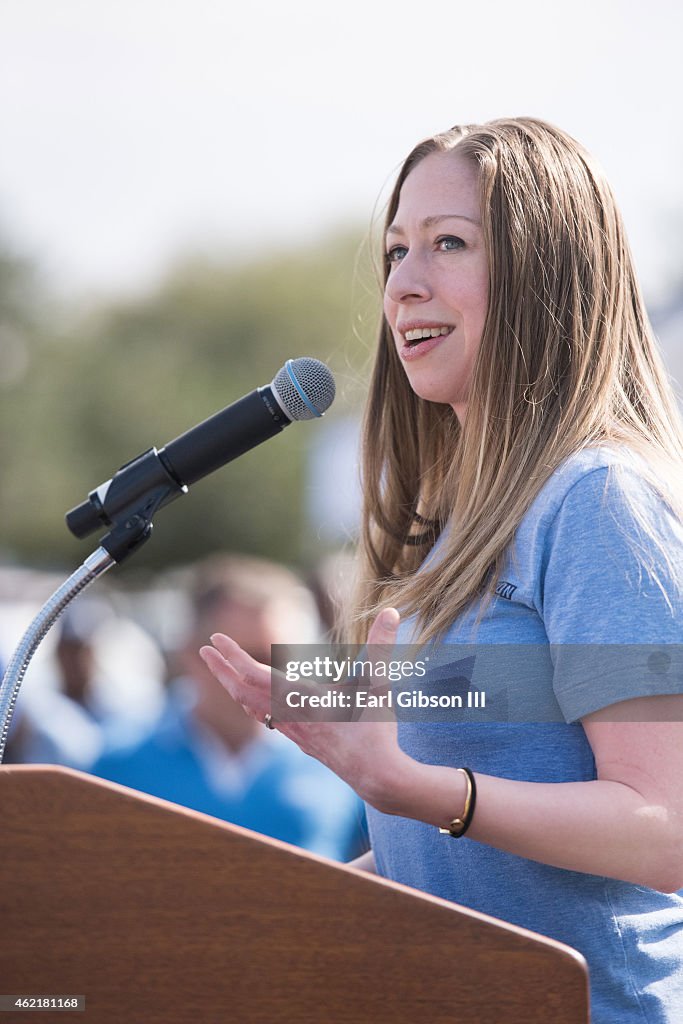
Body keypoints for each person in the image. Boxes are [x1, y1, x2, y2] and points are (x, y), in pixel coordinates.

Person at [199, 118, 683, 1024]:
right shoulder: (447, 523)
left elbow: (666, 831)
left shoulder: (596, 499)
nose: (402, 284)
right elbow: (475, 853)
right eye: (393, 252)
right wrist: (263, 908)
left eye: (446, 244)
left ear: (545, 273)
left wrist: (413, 788)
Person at [92, 554, 366, 861]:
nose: (267, 677)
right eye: (245, 660)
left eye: (280, 660)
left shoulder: (344, 764)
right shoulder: (114, 765)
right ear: (192, 654)